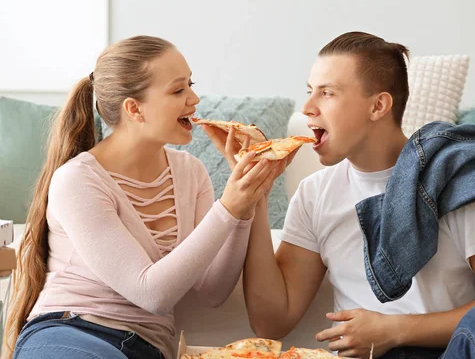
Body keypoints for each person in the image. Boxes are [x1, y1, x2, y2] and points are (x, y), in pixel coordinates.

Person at [233, 32, 475, 359]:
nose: (308, 106)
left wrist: (393, 330)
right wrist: (256, 198)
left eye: (327, 92)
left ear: (378, 106)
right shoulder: (315, 194)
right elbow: (271, 322)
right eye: (310, 89)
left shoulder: (455, 176)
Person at [3, 36, 284, 359]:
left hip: (148, 349)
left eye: (190, 85)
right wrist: (228, 207)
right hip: (73, 333)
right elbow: (151, 293)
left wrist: (244, 206)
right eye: (178, 90)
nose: (194, 98)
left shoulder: (190, 173)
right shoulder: (78, 180)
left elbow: (214, 291)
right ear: (134, 109)